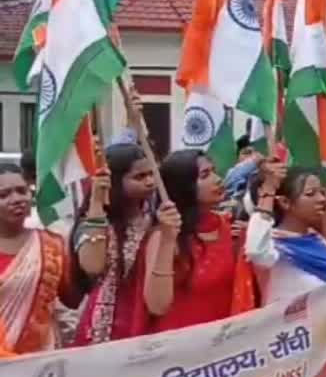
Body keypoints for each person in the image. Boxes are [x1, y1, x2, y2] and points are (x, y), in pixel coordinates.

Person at [141, 149, 242, 333]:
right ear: (183, 186)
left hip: (226, 346)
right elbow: (157, 305)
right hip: (183, 348)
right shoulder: (163, 236)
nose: (217, 179)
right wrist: (167, 240)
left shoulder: (227, 226)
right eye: (205, 175)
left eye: (213, 171)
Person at [73, 144, 162, 345]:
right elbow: (93, 267)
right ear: (114, 182)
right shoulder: (96, 222)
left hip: (149, 318)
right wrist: (97, 201)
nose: (150, 182)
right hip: (107, 326)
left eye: (151, 174)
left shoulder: (157, 219)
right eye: (139, 177)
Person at [245, 162, 326, 305]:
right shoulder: (273, 244)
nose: (322, 199)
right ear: (285, 202)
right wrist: (269, 189)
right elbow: (256, 252)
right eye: (310, 194)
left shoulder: (319, 239)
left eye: (322, 192)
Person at [0, 163, 73, 354]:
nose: (17, 199)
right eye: (4, 195)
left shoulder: (50, 244)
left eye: (22, 191)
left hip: (39, 365)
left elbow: (71, 299)